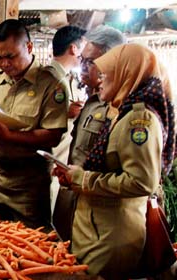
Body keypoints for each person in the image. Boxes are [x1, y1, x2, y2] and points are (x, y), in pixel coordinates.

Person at [53, 43, 175, 280]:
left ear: (126, 75)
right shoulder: (121, 112)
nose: (99, 81)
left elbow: (142, 182)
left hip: (112, 234)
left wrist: (84, 179)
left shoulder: (139, 121)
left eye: (107, 74)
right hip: (98, 229)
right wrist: (76, 176)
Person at [0, 19, 69, 228]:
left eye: (10, 56)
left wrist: (9, 136)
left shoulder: (52, 85)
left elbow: (53, 135)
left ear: (29, 47)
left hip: (29, 184)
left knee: (29, 244)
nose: (4, 63)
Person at [52, 26, 126, 240]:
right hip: (75, 199)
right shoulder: (92, 101)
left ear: (112, 61)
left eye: (90, 62)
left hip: (102, 210)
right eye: (82, 60)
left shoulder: (120, 106)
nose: (82, 67)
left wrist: (82, 178)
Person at [48, 25, 87, 214]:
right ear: (73, 48)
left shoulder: (69, 79)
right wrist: (66, 113)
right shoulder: (48, 77)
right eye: (84, 49)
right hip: (47, 164)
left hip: (61, 164)